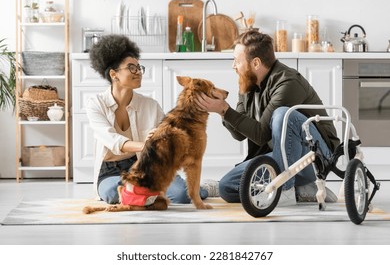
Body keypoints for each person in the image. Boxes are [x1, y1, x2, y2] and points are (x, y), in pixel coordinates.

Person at [196, 30, 339, 205]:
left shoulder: (288, 82)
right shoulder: (246, 83)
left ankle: (285, 189)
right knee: (227, 187)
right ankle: (302, 190)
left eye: (237, 61)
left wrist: (226, 110)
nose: (233, 66)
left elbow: (261, 134)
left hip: (315, 157)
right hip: (281, 155)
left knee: (283, 115)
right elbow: (240, 134)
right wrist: (222, 112)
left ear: (255, 63)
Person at [86, 34, 211, 204]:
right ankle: (144, 192)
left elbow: (168, 139)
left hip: (147, 166)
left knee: (181, 195)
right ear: (114, 74)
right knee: (113, 194)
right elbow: (112, 140)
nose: (138, 72)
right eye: (131, 68)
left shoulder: (150, 105)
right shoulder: (96, 104)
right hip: (111, 171)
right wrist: (145, 145)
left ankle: (202, 189)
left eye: (139, 67)